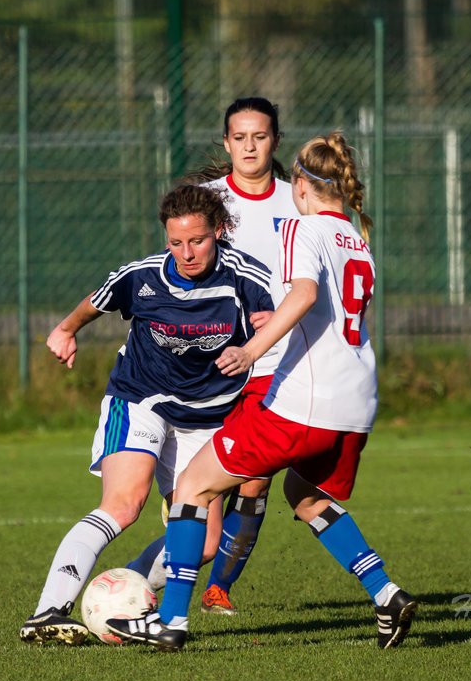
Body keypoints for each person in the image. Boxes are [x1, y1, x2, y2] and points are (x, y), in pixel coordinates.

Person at [107, 131, 418, 652]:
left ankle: (171, 622)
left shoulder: (304, 225)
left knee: (192, 488)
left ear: (301, 184)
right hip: (357, 402)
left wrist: (251, 351)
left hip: (304, 402)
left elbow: (305, 293)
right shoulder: (356, 237)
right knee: (304, 494)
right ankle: (385, 593)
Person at [19, 184, 274, 645]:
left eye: (197, 240)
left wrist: (259, 342)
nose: (186, 253)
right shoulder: (143, 276)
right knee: (124, 503)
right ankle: (47, 611)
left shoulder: (246, 279)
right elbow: (96, 302)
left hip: (207, 418)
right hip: (140, 400)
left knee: (207, 544)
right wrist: (65, 330)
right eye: (176, 242)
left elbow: (273, 325)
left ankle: (126, 592)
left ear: (219, 231)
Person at [125, 96, 300, 617]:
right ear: (226, 143)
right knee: (211, 495)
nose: (250, 146)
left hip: (277, 359)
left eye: (260, 136)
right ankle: (138, 579)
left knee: (257, 477)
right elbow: (172, 271)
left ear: (275, 140)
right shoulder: (206, 200)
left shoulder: (299, 200)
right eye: (240, 137)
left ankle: (219, 586)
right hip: (211, 369)